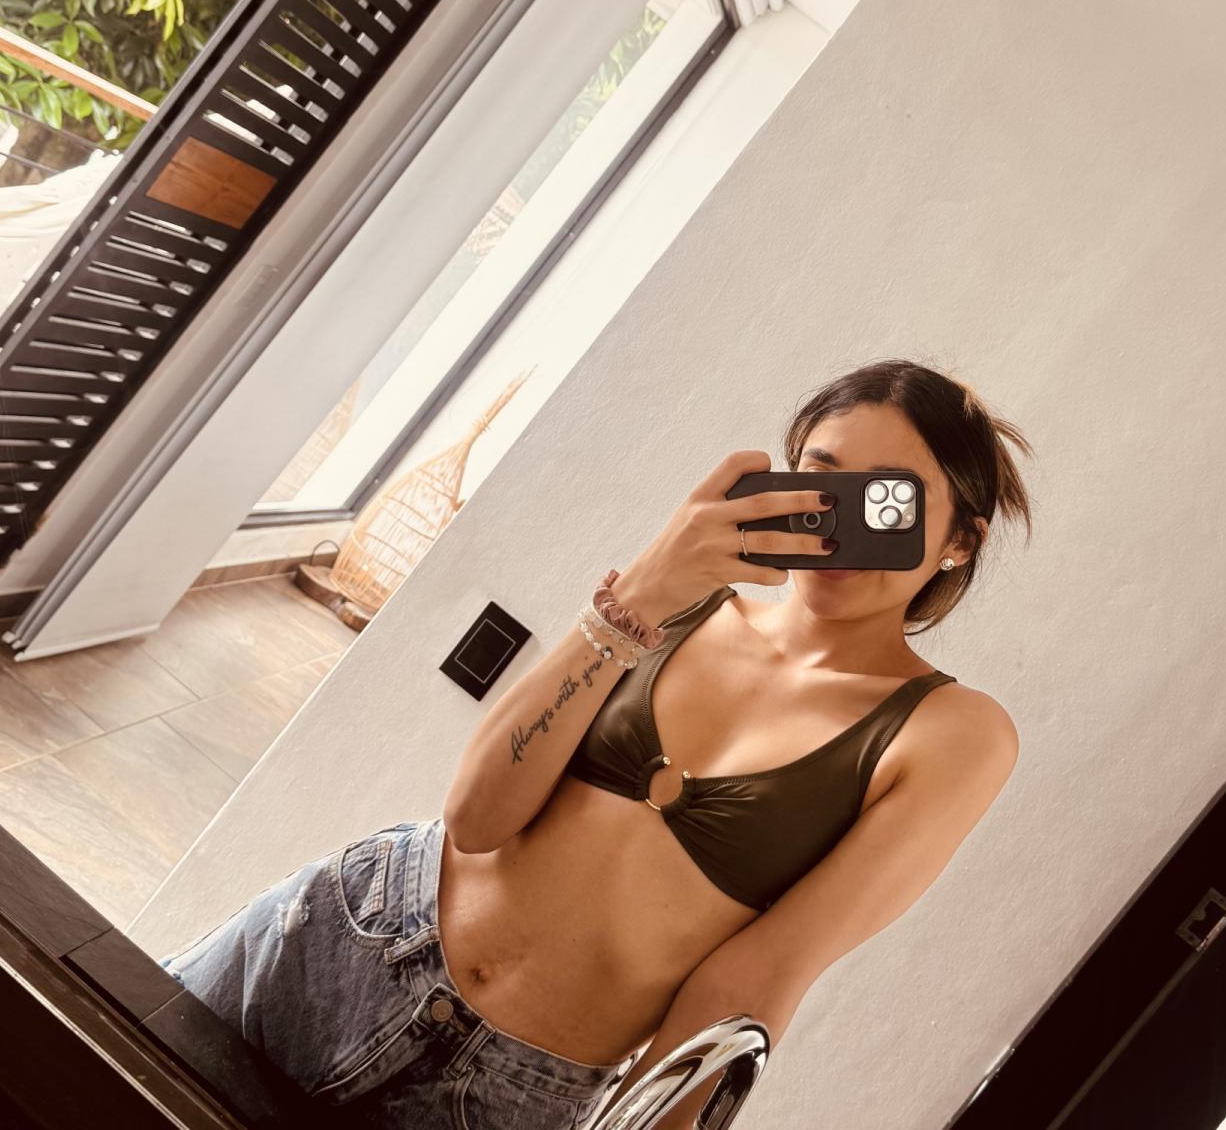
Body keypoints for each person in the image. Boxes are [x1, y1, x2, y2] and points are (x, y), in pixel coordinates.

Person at [159, 358, 1031, 1128]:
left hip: (503, 1094)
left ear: (958, 541)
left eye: (888, 501)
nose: (841, 525)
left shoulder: (951, 733)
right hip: (351, 930)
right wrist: (643, 588)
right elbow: (476, 817)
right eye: (822, 483)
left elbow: (757, 979)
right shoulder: (686, 601)